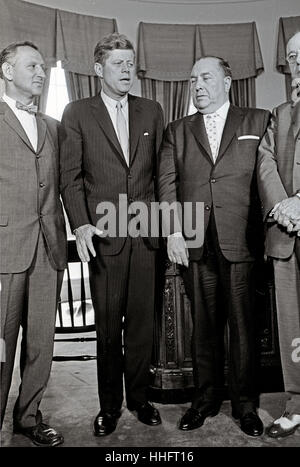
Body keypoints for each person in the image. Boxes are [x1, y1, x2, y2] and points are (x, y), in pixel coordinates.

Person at [158, 55, 270, 437]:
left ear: (227, 80)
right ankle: (204, 401)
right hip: (195, 242)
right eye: (192, 80)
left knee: (243, 328)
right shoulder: (177, 130)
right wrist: (173, 231)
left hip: (242, 241)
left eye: (205, 77)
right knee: (202, 329)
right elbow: (167, 184)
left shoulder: (258, 120)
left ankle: (246, 406)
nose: (198, 85)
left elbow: (267, 178)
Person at [59, 33, 164, 437]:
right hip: (104, 238)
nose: (126, 70)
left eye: (130, 62)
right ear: (99, 69)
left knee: (141, 325)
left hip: (145, 236)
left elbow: (161, 174)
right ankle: (109, 406)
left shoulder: (153, 111)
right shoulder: (77, 112)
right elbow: (71, 177)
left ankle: (139, 399)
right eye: (118, 63)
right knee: (107, 327)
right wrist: (81, 223)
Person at [0, 42, 67, 447]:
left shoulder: (53, 126)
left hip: (49, 249)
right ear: (7, 72)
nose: (41, 73)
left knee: (41, 343)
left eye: (43, 67)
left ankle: (28, 417)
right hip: (6, 249)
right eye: (32, 66)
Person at [257, 31, 300, 439]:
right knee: (293, 326)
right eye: (292, 58)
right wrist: (285, 205)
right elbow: (266, 162)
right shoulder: (281, 114)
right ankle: (296, 403)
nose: (297, 65)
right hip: (287, 236)